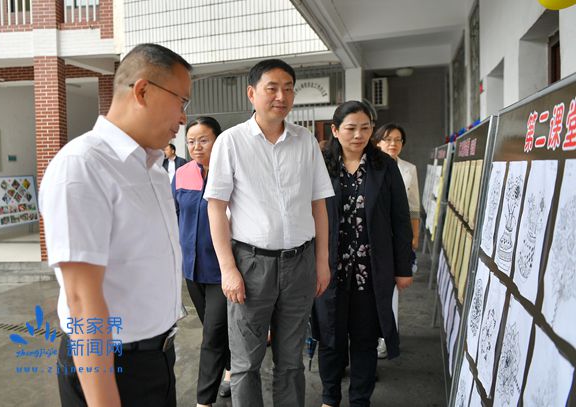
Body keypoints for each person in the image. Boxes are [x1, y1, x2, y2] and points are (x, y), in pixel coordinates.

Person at [38, 43, 191, 407]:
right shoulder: (82, 167)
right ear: (142, 91)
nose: (184, 117)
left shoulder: (151, 169)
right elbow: (81, 301)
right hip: (112, 368)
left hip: (158, 358)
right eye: (181, 101)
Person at [204, 58, 334, 407]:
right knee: (246, 362)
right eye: (272, 88)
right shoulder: (230, 142)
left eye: (288, 88)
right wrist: (228, 269)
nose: (282, 96)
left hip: (300, 263)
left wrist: (322, 262)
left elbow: (318, 205)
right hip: (251, 265)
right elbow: (215, 207)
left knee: (291, 362)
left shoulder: (306, 141)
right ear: (252, 93)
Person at [313, 101, 413, 407]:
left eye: (365, 128)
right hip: (328, 269)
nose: (359, 134)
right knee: (330, 338)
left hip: (371, 271)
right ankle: (330, 397)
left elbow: (400, 218)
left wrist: (403, 267)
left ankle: (360, 400)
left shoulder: (385, 165)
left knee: (365, 340)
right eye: (351, 128)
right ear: (335, 130)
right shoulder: (320, 164)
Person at [172, 116, 231, 407]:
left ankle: (203, 401)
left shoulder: (232, 172)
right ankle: (231, 369)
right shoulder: (182, 174)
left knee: (211, 335)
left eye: (203, 139)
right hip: (192, 269)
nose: (196, 146)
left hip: (224, 271)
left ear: (218, 140)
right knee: (216, 328)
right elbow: (173, 217)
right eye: (191, 140)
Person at [374, 123, 420, 358]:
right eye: (388, 139)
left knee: (391, 292)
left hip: (397, 238)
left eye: (398, 140)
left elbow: (413, 209)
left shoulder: (409, 169)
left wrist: (413, 240)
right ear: (378, 141)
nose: (393, 143)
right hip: (376, 238)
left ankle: (387, 338)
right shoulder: (371, 166)